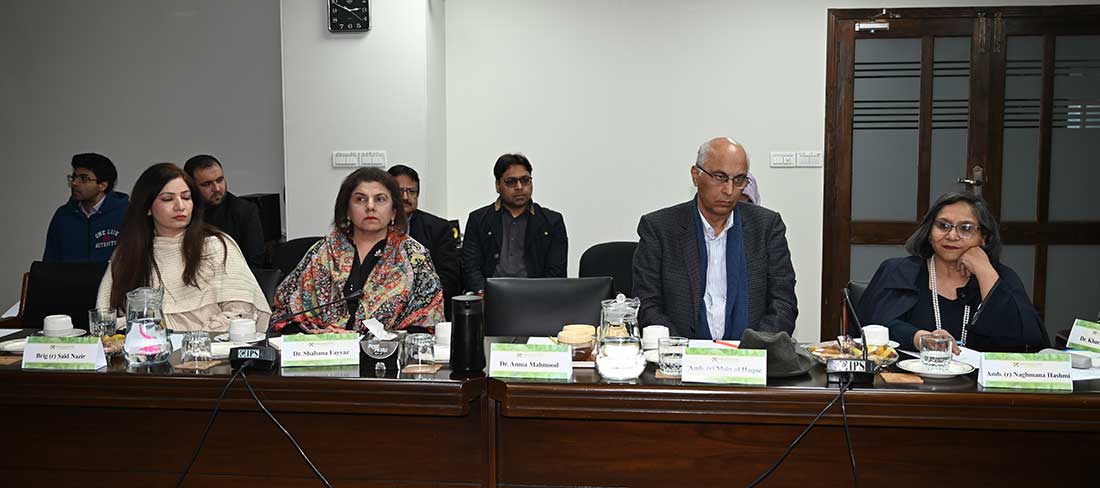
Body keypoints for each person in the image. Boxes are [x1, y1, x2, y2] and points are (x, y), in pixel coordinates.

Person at [633, 137, 797, 340]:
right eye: (720, 177)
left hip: (751, 354)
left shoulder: (766, 227)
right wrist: (680, 351)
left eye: (739, 180)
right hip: (680, 354)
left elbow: (784, 303)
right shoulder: (659, 228)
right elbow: (647, 305)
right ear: (696, 175)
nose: (729, 190)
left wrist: (753, 349)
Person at [859, 192, 1048, 352]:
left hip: (981, 384)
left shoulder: (1001, 276)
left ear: (983, 237)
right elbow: (871, 326)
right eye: (943, 225)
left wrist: (984, 270)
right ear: (929, 232)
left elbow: (1027, 343)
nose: (951, 235)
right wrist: (918, 338)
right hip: (909, 380)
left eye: (965, 228)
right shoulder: (898, 271)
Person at [95, 163, 271, 332]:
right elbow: (105, 318)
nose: (180, 206)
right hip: (146, 348)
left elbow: (241, 313)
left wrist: (199, 339)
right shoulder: (127, 254)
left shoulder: (215, 245)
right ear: (147, 207)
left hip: (211, 347)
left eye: (186, 197)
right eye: (168, 199)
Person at [273, 168, 443, 333]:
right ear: (347, 210)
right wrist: (319, 335)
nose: (370, 206)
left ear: (393, 211)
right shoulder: (322, 252)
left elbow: (428, 323)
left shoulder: (414, 255)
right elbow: (284, 315)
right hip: (325, 348)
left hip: (390, 350)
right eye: (360, 199)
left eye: (380, 199)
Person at [462, 153, 567, 294]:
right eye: (511, 182)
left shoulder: (552, 221)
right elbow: (470, 267)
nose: (519, 187)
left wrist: (538, 297)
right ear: (497, 185)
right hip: (489, 297)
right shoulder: (479, 219)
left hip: (537, 297)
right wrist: (484, 294)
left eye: (525, 180)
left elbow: (556, 272)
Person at [387, 164, 461, 318]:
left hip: (425, 310)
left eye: (411, 191)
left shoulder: (438, 228)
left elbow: (449, 278)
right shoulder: (373, 227)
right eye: (399, 191)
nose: (405, 197)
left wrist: (417, 303)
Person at [183, 154, 266, 267]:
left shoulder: (244, 211)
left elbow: (255, 262)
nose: (217, 188)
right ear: (191, 186)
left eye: (220, 180)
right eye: (207, 184)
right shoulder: (183, 211)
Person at [44, 153, 129, 262]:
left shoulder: (126, 213)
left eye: (83, 179)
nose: (74, 183)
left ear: (102, 185)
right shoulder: (63, 215)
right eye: (74, 177)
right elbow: (50, 262)